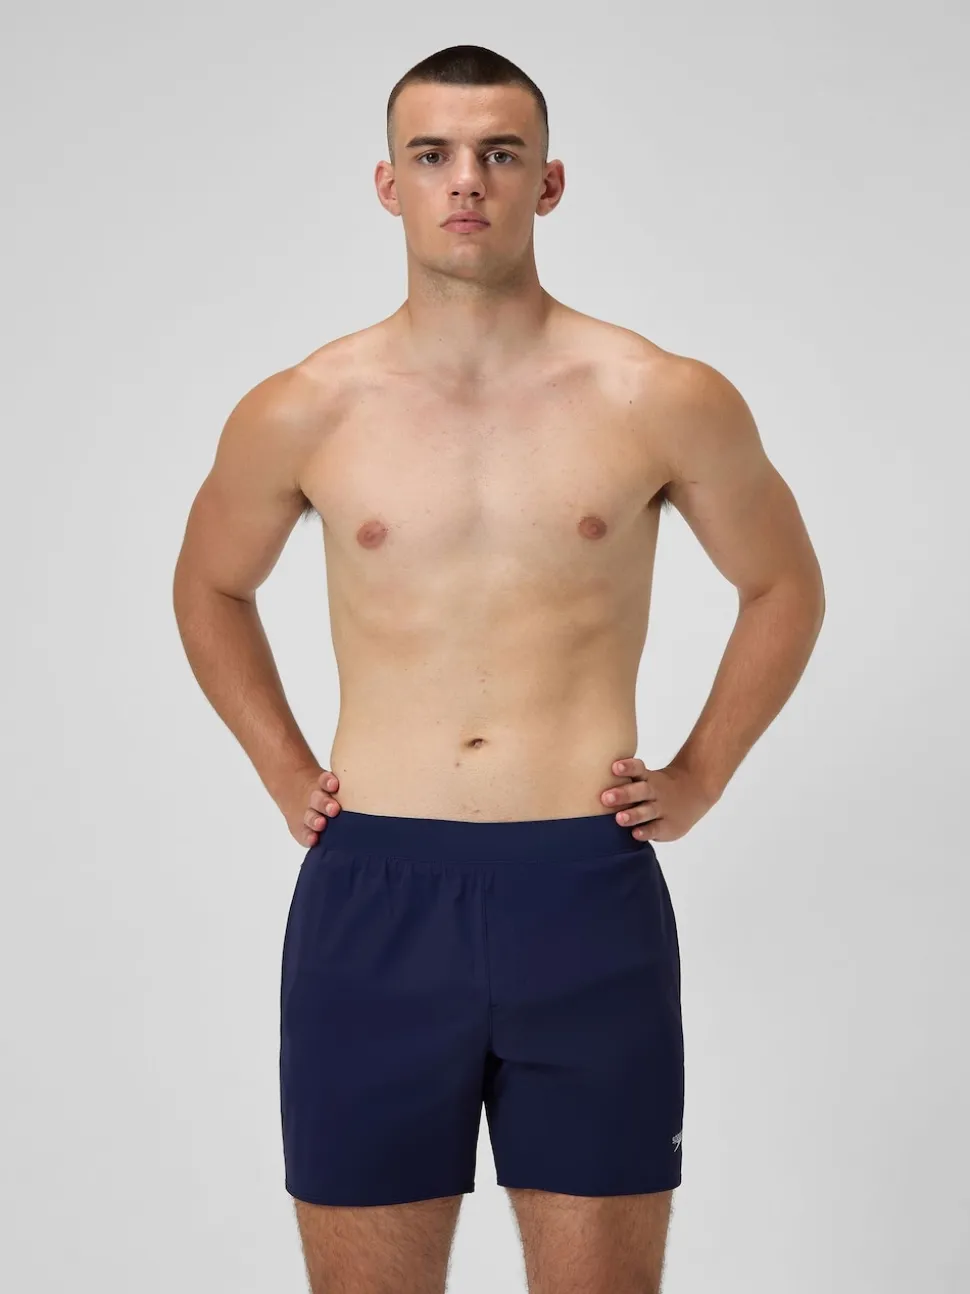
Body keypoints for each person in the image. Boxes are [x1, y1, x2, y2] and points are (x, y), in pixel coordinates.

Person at [172, 42, 825, 1294]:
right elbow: (209, 585)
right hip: (375, 890)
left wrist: (701, 772)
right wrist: (281, 766)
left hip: (582, 886)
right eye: (432, 155)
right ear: (389, 184)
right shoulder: (304, 406)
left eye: (499, 153)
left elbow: (783, 583)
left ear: (548, 181)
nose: (465, 179)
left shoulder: (657, 394)